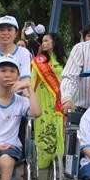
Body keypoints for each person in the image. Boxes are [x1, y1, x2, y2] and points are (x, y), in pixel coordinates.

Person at [31, 33, 66, 169]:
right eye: (42, 41)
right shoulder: (38, 61)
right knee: (43, 127)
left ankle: (57, 158)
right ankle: (42, 160)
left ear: (54, 42)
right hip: (42, 98)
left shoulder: (63, 60)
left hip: (58, 98)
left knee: (57, 127)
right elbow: (33, 80)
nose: (43, 43)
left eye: (46, 41)